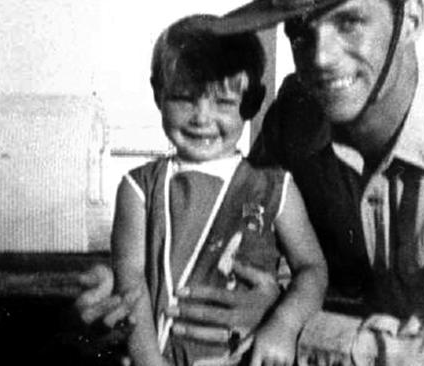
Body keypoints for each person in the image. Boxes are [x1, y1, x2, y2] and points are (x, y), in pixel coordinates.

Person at [76, 0, 424, 365]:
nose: (320, 56)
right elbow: (239, 227)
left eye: (350, 20)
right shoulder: (297, 113)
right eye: (300, 29)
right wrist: (139, 279)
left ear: (412, 21)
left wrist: (290, 325)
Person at [96, 13, 328, 366]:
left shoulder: (274, 186)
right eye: (185, 98)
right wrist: (147, 359)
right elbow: (131, 284)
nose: (202, 117)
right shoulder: (138, 188)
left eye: (223, 102)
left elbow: (312, 268)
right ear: (158, 93)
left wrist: (284, 324)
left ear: (251, 102)